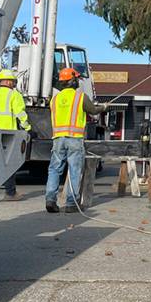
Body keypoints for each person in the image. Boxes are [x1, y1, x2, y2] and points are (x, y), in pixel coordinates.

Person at [45, 67, 105, 213]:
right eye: (76, 79)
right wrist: (104, 107)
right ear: (72, 81)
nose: (78, 81)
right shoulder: (80, 97)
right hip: (74, 139)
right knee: (74, 170)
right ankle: (71, 204)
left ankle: (50, 200)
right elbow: (93, 111)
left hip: (58, 139)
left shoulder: (55, 99)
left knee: (54, 170)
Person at [0, 68, 32, 201]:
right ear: (8, 82)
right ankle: (10, 193)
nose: (14, 84)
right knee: (8, 164)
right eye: (13, 81)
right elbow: (20, 113)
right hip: (8, 133)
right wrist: (28, 128)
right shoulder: (14, 95)